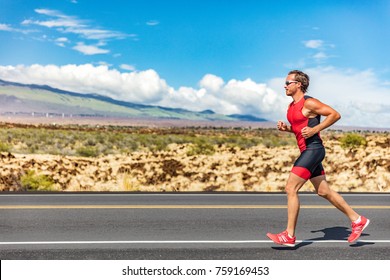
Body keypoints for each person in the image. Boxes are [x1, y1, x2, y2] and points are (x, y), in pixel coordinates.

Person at [266, 70, 369, 247]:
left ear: (298, 84)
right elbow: (299, 128)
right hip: (307, 150)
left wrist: (316, 130)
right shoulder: (291, 106)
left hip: (313, 149)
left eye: (288, 82)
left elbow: (335, 114)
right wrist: (287, 129)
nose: (285, 85)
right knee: (323, 191)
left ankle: (289, 235)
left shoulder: (310, 102)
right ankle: (357, 219)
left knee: (291, 188)